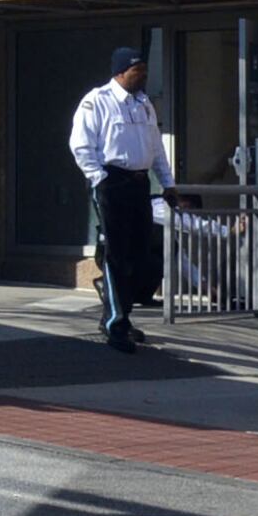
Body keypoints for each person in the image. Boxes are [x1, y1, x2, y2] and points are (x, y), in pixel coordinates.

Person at [71, 45, 166, 351]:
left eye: (145, 70)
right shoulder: (97, 101)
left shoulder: (144, 104)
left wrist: (168, 184)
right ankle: (116, 325)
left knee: (139, 254)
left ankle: (118, 315)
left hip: (139, 183)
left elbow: (156, 148)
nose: (144, 75)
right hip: (112, 182)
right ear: (121, 72)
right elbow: (80, 145)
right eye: (138, 70)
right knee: (117, 253)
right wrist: (100, 179)